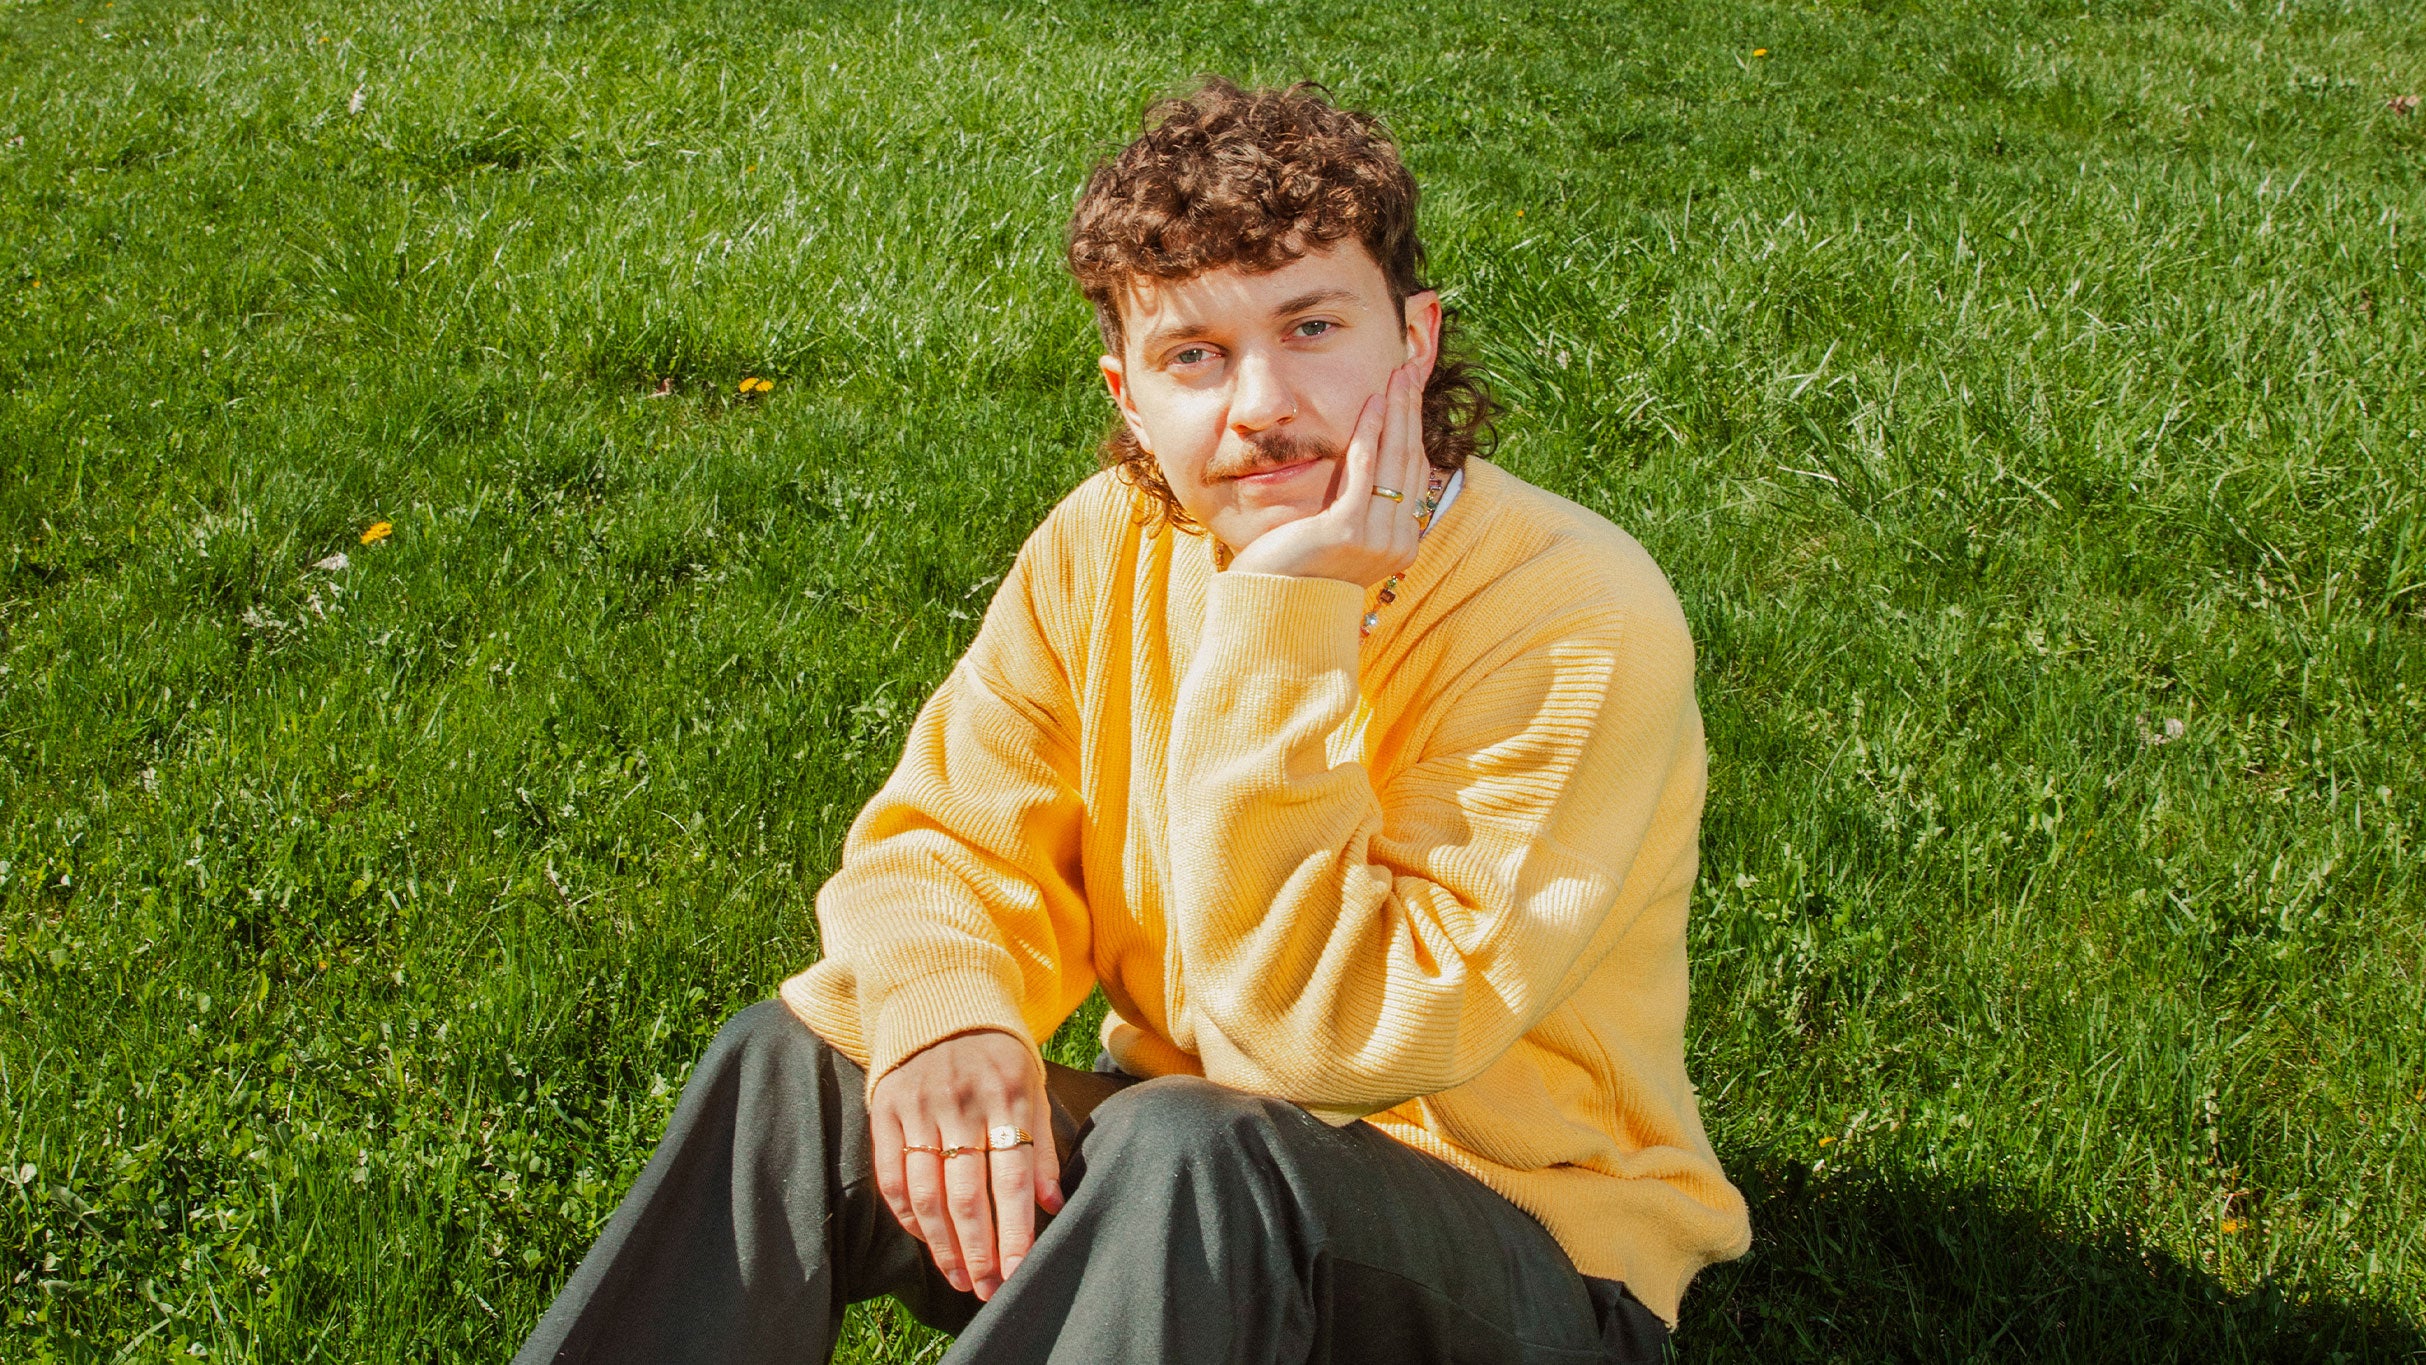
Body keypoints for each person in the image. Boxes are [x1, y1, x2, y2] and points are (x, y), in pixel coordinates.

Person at [515, 77, 1750, 1365]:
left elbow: (1339, 1041)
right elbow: (946, 840)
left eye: (1312, 326)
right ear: (1128, 396)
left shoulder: (1571, 615)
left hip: (1530, 1248)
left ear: (1415, 339)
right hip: (1178, 1192)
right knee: (804, 1064)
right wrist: (950, 1017)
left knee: (1191, 1153)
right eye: (1194, 356)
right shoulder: (1106, 546)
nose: (1260, 403)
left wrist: (1286, 613)